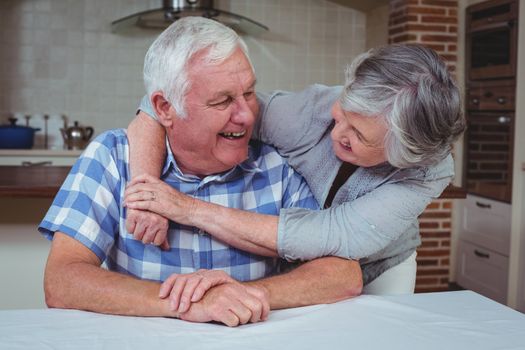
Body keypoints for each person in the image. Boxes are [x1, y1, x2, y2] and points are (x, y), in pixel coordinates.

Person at [38, 17, 362, 327]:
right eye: (223, 101)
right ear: (165, 108)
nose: (247, 116)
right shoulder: (112, 157)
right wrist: (189, 303)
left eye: (249, 93)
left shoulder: (277, 165)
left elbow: (343, 274)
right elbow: (62, 280)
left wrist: (244, 296)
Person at [125, 42, 466, 296]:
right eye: (342, 110)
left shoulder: (426, 171)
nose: (337, 133)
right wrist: (146, 195)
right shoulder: (306, 112)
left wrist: (187, 209)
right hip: (299, 269)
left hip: (380, 269)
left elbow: (333, 236)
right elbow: (159, 108)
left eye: (356, 137)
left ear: (401, 156)